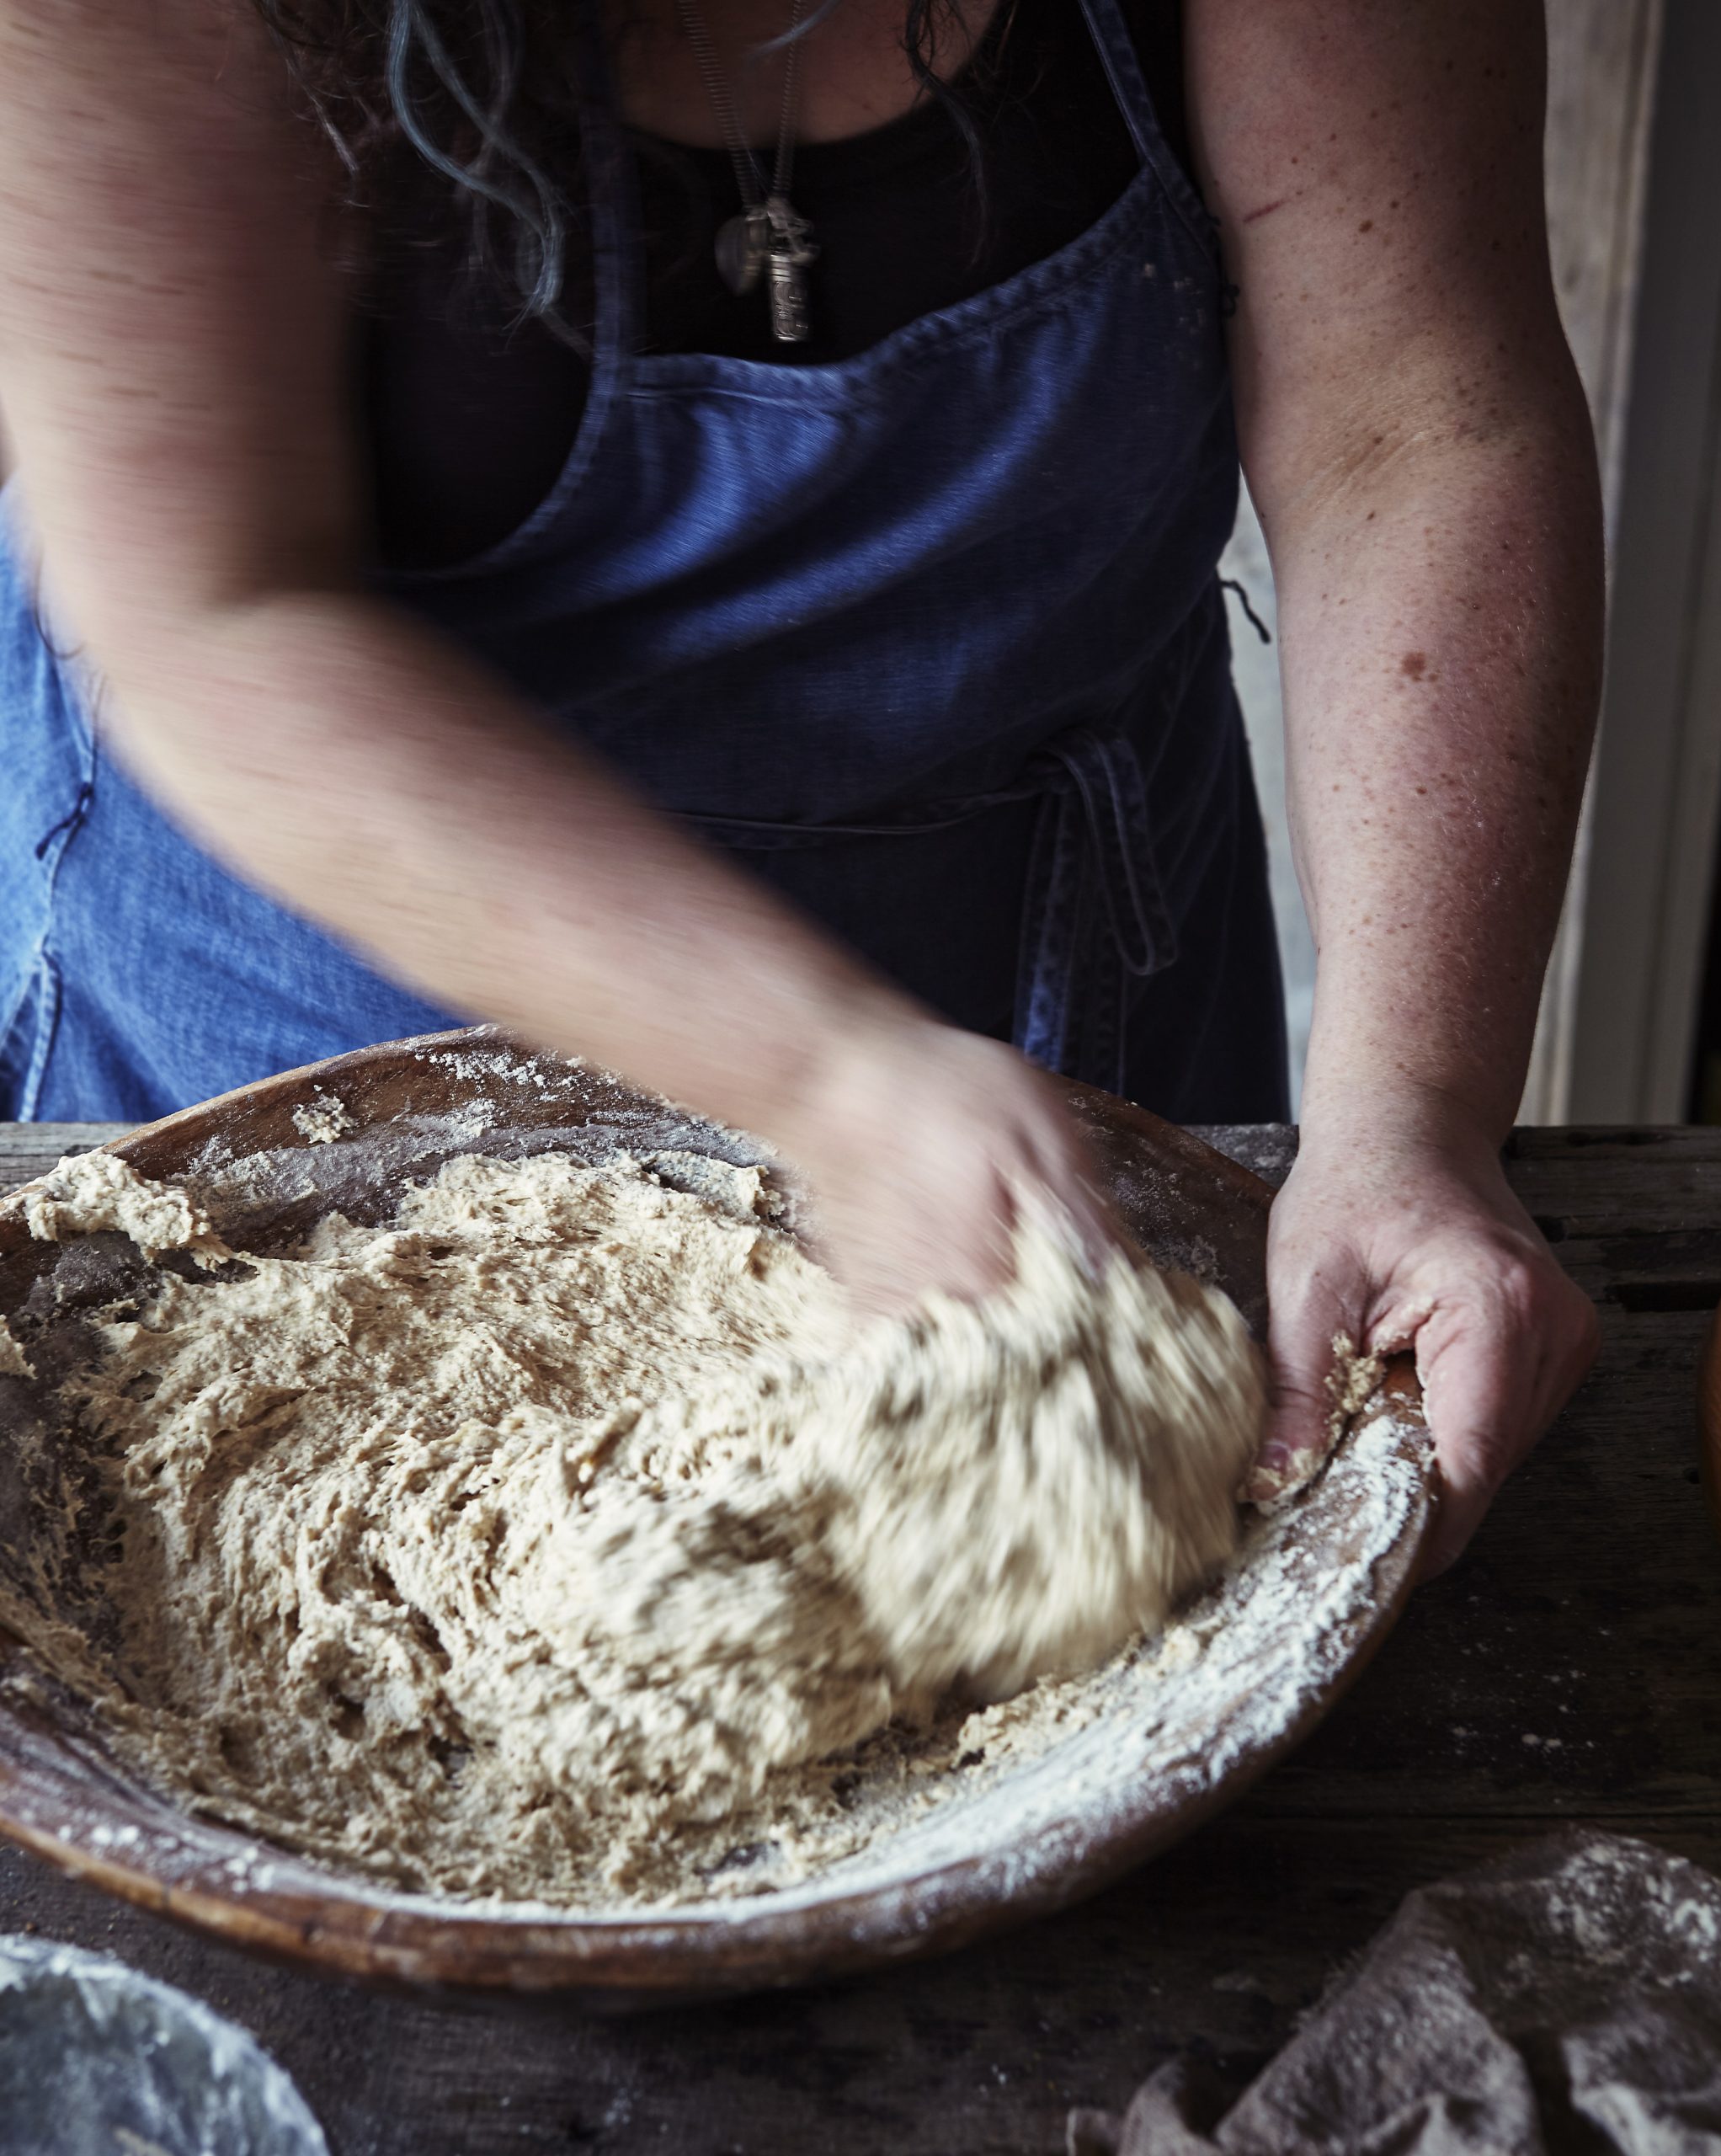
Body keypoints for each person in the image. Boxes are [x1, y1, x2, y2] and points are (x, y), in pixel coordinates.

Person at [0, 0, 1601, 1567]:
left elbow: (1410, 419)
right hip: (328, 979)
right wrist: (830, 1078)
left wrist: (1410, 1116)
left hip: (1055, 949)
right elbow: (212, 612)